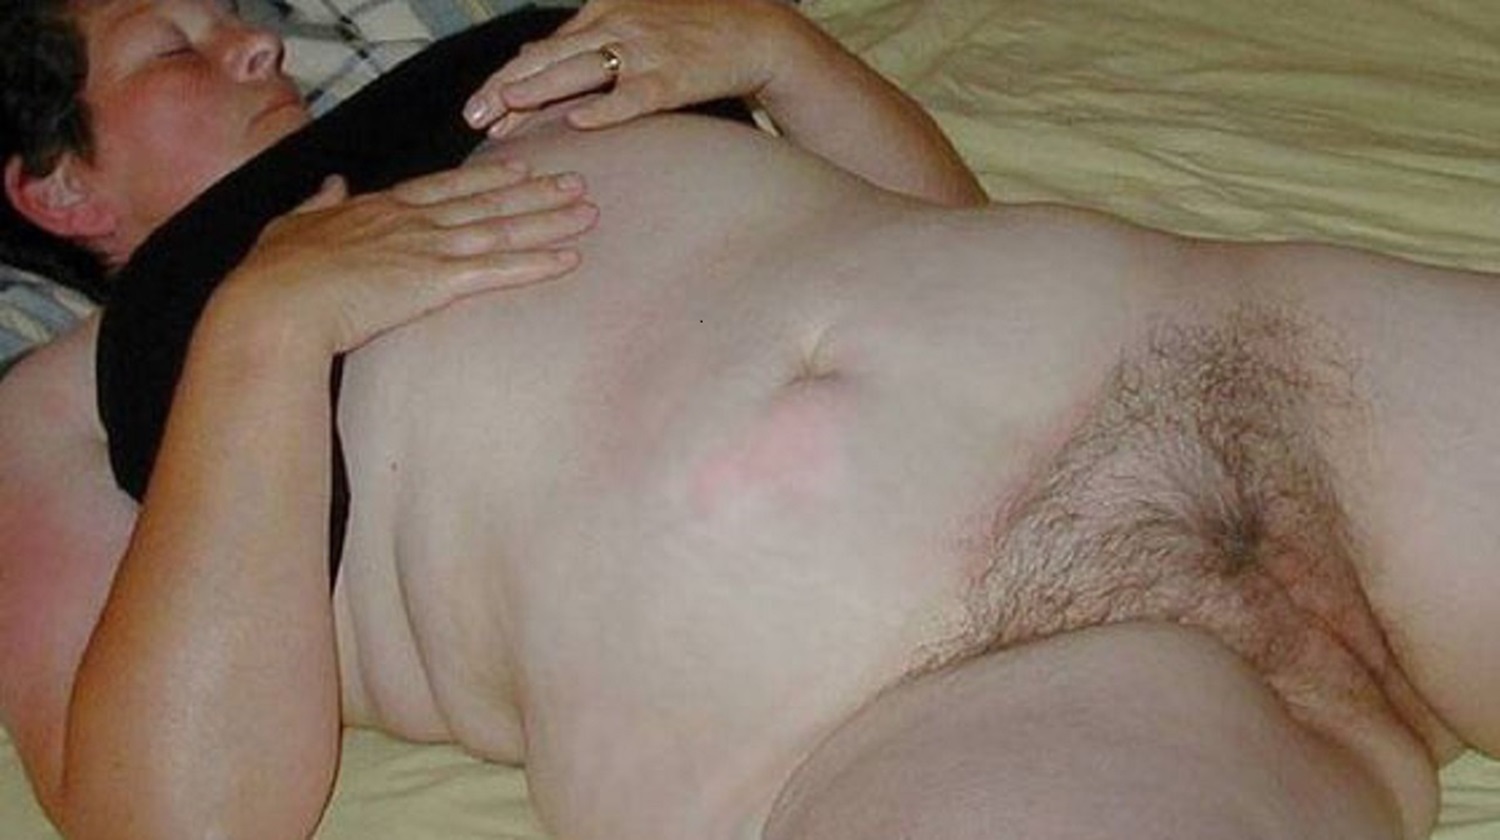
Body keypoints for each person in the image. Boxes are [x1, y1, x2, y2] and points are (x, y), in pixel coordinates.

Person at [0, 4, 1495, 840]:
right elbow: (166, 814)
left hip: (1272, 371)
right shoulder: (90, 379)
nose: (255, 41)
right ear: (54, 186)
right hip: (942, 691)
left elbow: (942, 232)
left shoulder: (539, 40)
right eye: (174, 44)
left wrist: (784, 55)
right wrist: (268, 327)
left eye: (237, 16)